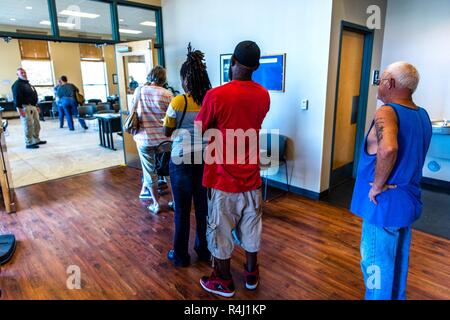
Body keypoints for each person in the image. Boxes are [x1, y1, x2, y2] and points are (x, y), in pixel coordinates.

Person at [351, 62, 432, 300]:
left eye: (381, 79)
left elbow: (388, 149)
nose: (378, 83)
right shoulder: (422, 114)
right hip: (407, 202)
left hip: (383, 206)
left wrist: (376, 187)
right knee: (396, 267)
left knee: (376, 270)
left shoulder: (386, 112)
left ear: (391, 83)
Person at [196, 41, 270, 297]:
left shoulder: (215, 95)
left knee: (220, 230)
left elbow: (199, 129)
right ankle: (251, 273)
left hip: (222, 179)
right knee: (251, 228)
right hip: (251, 177)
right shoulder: (263, 94)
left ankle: (223, 281)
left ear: (232, 63)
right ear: (256, 66)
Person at [163, 44, 212, 267]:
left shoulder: (178, 101)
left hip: (181, 161)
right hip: (204, 160)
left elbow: (167, 131)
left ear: (184, 80)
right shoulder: (211, 100)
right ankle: (203, 250)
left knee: (182, 211)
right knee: (203, 209)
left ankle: (181, 257)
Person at [132, 66, 174, 214]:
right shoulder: (168, 94)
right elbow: (172, 117)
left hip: (144, 139)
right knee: (169, 171)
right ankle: (174, 201)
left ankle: (156, 204)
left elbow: (133, 111)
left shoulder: (139, 91)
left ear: (150, 76)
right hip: (164, 139)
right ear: (163, 79)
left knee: (149, 172)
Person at [11, 67, 47, 149]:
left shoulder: (28, 84)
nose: (24, 73)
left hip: (33, 106)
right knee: (28, 125)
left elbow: (33, 95)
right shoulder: (17, 85)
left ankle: (36, 139)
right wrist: (20, 110)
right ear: (18, 75)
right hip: (25, 107)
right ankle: (29, 142)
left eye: (24, 72)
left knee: (37, 124)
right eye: (21, 73)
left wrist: (36, 106)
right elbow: (17, 98)